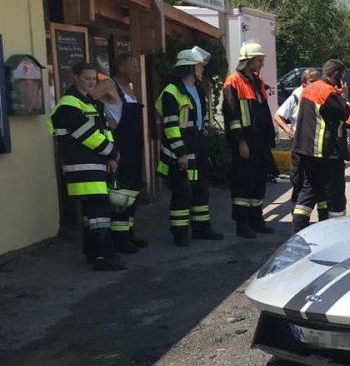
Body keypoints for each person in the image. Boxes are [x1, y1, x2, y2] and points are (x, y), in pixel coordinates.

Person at [48, 62, 124, 271]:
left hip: (95, 165)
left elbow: (104, 130)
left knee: (93, 214)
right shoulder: (69, 105)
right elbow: (88, 136)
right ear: (75, 77)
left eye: (93, 79)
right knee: (100, 213)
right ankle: (104, 257)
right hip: (83, 167)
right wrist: (113, 153)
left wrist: (111, 157)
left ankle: (93, 253)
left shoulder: (88, 103)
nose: (91, 82)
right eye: (87, 78)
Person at [155, 46, 223, 247]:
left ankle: (202, 229)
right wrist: (181, 153)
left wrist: (204, 134)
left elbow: (201, 118)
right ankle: (180, 233)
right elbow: (170, 126)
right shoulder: (171, 92)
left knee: (201, 188)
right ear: (190, 67)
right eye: (200, 66)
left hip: (198, 145)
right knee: (182, 192)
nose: (203, 69)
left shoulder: (198, 89)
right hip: (182, 150)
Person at [93, 53, 146, 252]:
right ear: (122, 68)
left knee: (132, 192)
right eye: (134, 67)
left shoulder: (129, 89)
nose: (138, 71)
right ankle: (119, 239)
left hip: (134, 147)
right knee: (120, 194)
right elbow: (85, 102)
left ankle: (128, 233)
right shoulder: (109, 85)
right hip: (120, 148)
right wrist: (104, 122)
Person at [291, 59, 350, 232]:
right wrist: (344, 96)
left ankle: (297, 231)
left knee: (309, 192)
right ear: (336, 75)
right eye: (342, 76)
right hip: (327, 153)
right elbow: (344, 113)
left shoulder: (309, 89)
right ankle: (335, 232)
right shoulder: (328, 92)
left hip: (307, 152)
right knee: (336, 195)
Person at [223, 42, 274, 238]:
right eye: (259, 60)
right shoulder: (233, 82)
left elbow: (262, 113)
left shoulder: (256, 81)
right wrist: (240, 142)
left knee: (259, 181)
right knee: (243, 183)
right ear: (248, 61)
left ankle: (256, 220)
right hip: (245, 143)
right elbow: (232, 116)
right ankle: (242, 224)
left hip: (260, 142)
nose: (262, 64)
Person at [273, 68, 320, 205]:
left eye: (316, 81)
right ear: (304, 83)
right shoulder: (297, 95)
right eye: (312, 81)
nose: (314, 84)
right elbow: (278, 116)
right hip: (299, 141)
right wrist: (288, 130)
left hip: (313, 141)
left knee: (313, 178)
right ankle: (296, 210)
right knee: (298, 177)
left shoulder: (318, 93)